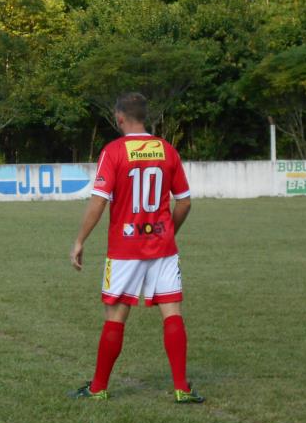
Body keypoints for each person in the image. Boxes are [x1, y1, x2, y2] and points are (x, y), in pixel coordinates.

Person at [68, 93, 204, 404]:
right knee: (172, 313)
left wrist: (79, 240)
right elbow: (184, 201)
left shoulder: (114, 151)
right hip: (163, 248)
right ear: (145, 117)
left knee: (115, 316)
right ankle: (181, 387)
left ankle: (99, 387)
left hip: (125, 250)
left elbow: (99, 201)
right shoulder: (166, 150)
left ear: (119, 118)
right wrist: (169, 231)